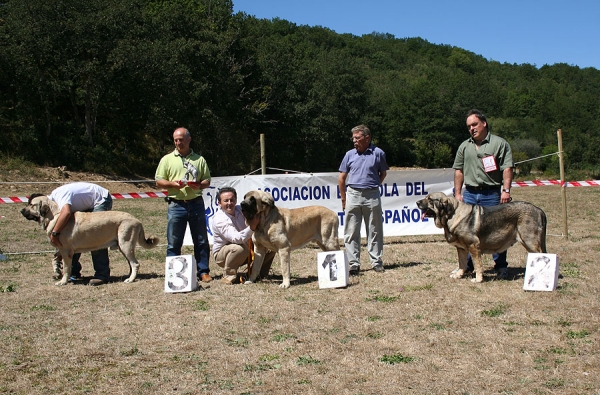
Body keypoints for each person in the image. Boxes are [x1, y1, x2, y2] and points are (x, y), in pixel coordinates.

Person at [453, 109, 514, 279]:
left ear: (484, 123)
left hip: (492, 194)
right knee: (466, 232)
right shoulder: (464, 146)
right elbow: (458, 171)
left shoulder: (500, 144)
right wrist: (458, 193)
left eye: (474, 124)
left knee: (496, 231)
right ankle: (468, 266)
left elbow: (507, 168)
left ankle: (501, 266)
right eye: (468, 126)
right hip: (470, 195)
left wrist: (506, 191)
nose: (471, 128)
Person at [155, 127, 213, 283]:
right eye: (175, 140)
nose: (178, 142)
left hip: (196, 203)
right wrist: (172, 184)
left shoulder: (199, 160)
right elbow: (159, 180)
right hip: (175, 205)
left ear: (189, 139)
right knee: (174, 241)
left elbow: (207, 180)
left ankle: (203, 271)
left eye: (180, 139)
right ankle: (173, 274)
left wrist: (200, 185)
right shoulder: (167, 159)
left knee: (201, 240)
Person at [338, 124, 389, 275]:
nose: (354, 140)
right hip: (352, 194)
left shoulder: (378, 153)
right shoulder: (349, 155)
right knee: (351, 231)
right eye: (353, 138)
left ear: (367, 138)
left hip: (372, 195)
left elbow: (383, 173)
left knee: (375, 230)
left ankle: (376, 262)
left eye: (357, 137)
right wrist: (344, 199)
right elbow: (341, 178)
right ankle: (354, 264)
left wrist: (373, 187)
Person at [46, 182, 113, 286]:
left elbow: (66, 213)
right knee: (73, 237)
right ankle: (73, 272)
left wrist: (54, 234)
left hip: (100, 199)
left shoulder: (60, 198)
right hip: (86, 203)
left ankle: (102, 275)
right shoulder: (54, 200)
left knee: (95, 236)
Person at [211, 187, 275, 284]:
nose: (229, 203)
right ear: (219, 203)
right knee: (238, 248)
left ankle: (258, 274)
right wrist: (252, 226)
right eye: (226, 201)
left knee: (270, 245)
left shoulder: (241, 210)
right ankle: (229, 276)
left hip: (246, 247)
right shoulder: (219, 219)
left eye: (232, 200)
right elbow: (236, 238)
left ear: (236, 200)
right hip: (223, 255)